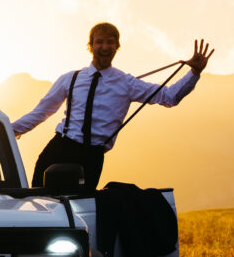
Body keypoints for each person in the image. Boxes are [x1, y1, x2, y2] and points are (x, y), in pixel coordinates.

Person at [13, 22, 213, 189]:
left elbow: (169, 97)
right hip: (60, 146)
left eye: (110, 42)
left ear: (117, 46)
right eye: (99, 42)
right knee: (38, 202)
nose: (105, 47)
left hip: (92, 156)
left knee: (79, 210)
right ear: (90, 46)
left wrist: (194, 73)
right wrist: (9, 130)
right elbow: (41, 112)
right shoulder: (70, 79)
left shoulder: (127, 84)